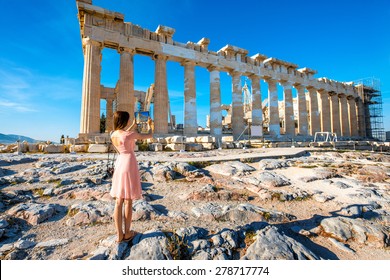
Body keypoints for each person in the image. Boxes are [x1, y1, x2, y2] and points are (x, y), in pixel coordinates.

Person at [110, 111, 153, 243]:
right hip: (129, 164)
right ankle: (128, 232)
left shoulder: (113, 134)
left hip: (120, 163)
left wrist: (133, 125)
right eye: (128, 120)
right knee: (128, 200)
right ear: (124, 121)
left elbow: (123, 135)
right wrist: (152, 126)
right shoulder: (130, 134)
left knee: (119, 201)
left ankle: (119, 234)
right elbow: (149, 135)